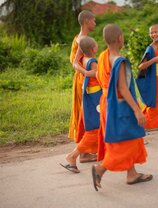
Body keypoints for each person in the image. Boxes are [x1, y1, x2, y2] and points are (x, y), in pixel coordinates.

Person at [92, 24, 152, 191]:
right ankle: (100, 170)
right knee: (127, 141)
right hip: (121, 106)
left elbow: (98, 76)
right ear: (120, 39)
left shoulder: (103, 56)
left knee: (123, 139)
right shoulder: (119, 60)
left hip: (107, 102)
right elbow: (123, 89)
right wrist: (137, 110)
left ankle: (131, 174)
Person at [60, 36, 101, 173]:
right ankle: (72, 156)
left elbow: (82, 69)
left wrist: (85, 72)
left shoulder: (82, 59)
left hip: (88, 98)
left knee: (100, 128)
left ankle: (105, 153)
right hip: (95, 99)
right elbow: (98, 76)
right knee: (95, 130)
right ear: (93, 49)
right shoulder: (93, 61)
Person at [68, 10, 97, 162]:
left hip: (82, 79)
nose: (95, 23)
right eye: (93, 20)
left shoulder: (80, 37)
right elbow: (75, 63)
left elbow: (75, 61)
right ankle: (83, 153)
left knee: (85, 114)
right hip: (83, 82)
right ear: (86, 21)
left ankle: (85, 152)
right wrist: (87, 73)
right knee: (85, 115)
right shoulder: (83, 39)